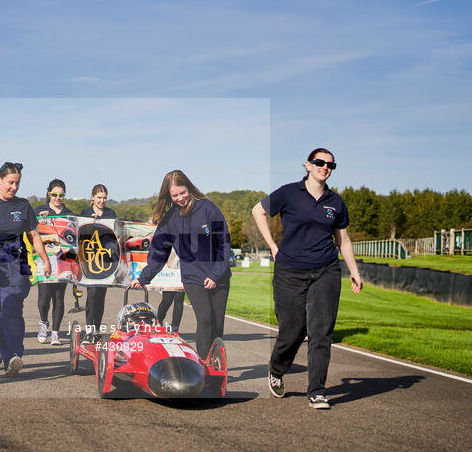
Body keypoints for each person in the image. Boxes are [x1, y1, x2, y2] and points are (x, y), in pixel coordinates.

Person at [251, 148, 363, 410]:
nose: (325, 167)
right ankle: (277, 369)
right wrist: (272, 245)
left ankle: (317, 391)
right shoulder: (289, 193)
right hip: (289, 271)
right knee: (292, 329)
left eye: (330, 165)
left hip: (326, 271)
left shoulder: (336, 202)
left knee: (321, 332)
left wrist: (354, 270)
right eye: (320, 162)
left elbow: (343, 240)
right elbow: (258, 211)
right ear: (308, 165)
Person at [132, 170, 231, 361]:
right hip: (193, 277)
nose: (180, 198)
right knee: (205, 319)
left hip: (219, 276)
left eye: (182, 193)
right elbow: (159, 253)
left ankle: (216, 365)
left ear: (190, 188)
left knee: (218, 326)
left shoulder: (208, 209)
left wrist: (216, 274)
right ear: (168, 196)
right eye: (174, 195)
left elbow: (223, 244)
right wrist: (144, 278)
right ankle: (203, 364)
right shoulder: (170, 220)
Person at [0, 162, 51, 375]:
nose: (14, 187)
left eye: (17, 183)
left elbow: (34, 236)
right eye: (10, 183)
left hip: (17, 260)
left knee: (12, 309)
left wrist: (46, 260)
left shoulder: (23, 206)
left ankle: (13, 355)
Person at [34, 179, 75, 346]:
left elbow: (74, 237)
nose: (58, 198)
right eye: (55, 194)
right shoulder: (40, 210)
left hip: (63, 259)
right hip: (44, 259)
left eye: (61, 195)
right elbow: (31, 232)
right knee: (44, 297)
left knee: (59, 297)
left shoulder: (69, 214)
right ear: (49, 194)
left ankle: (56, 332)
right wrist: (39, 219)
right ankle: (44, 323)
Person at [80, 184, 117, 342]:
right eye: (99, 198)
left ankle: (96, 329)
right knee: (92, 294)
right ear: (92, 198)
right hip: (90, 259)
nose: (102, 201)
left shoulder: (110, 213)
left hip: (106, 259)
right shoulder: (86, 213)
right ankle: (88, 330)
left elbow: (115, 234)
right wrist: (91, 224)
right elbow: (81, 234)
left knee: (100, 296)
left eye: (104, 198)